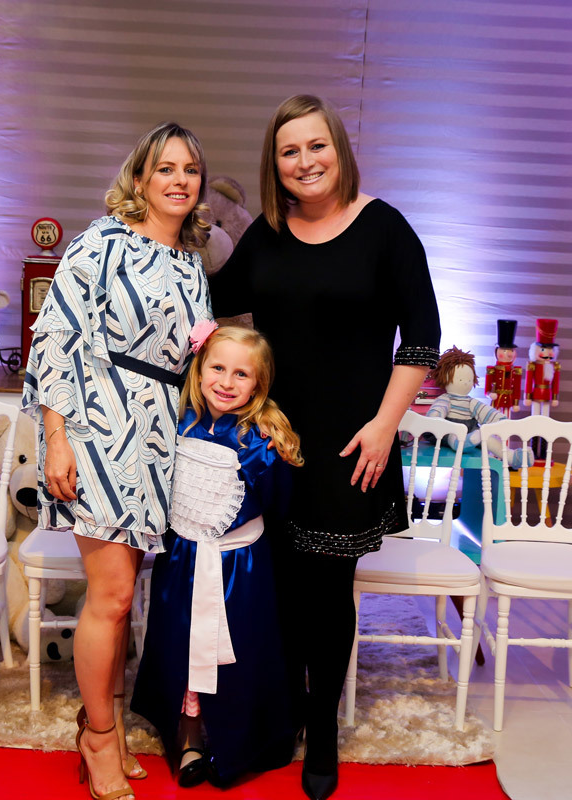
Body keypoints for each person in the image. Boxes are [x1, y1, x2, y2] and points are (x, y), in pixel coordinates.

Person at [207, 94, 441, 800]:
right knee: (276, 582)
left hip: (350, 444)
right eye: (289, 151)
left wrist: (386, 424)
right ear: (273, 164)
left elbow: (422, 338)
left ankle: (324, 724)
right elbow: (211, 303)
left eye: (317, 146)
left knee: (327, 591)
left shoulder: (385, 229)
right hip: (272, 440)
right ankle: (281, 711)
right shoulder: (268, 234)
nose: (305, 161)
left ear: (339, 149)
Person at [22, 121, 212, 800]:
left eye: (190, 169)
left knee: (128, 595)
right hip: (98, 425)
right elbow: (55, 339)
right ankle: (100, 738)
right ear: (139, 179)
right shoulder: (102, 241)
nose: (179, 180)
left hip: (161, 434)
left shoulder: (194, 264)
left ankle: (105, 722)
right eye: (165, 168)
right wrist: (56, 437)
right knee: (113, 595)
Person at [132, 324, 303, 788]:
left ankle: (237, 742)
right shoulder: (177, 421)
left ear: (259, 383)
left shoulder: (261, 439)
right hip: (181, 563)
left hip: (239, 569)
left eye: (241, 374)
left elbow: (280, 503)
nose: (227, 382)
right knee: (182, 649)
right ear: (200, 369)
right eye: (218, 368)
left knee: (238, 655)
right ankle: (188, 736)